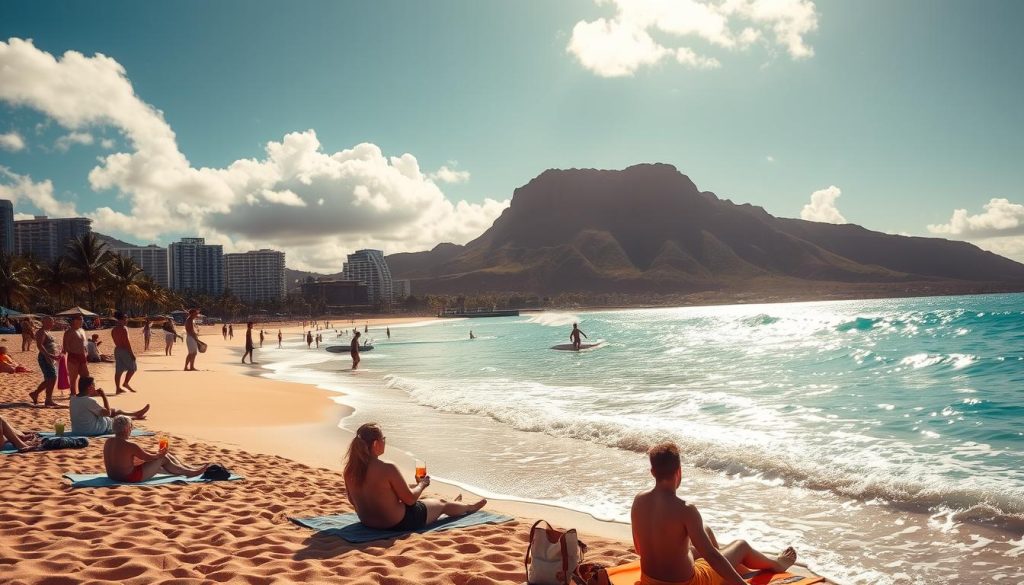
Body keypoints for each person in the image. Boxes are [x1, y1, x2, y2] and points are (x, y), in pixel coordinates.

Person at [631, 442, 797, 585]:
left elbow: (640, 549)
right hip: (688, 582)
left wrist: (681, 554)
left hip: (649, 581)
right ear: (679, 471)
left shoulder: (639, 500)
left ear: (653, 472)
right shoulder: (686, 509)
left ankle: (731, 568)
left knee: (705, 529)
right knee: (741, 545)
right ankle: (777, 564)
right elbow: (712, 557)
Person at [342, 422, 485, 531]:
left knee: (426, 502)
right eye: (383, 438)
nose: (385, 441)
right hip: (398, 523)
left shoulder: (350, 470)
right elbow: (410, 500)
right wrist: (422, 485)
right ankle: (468, 508)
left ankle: (455, 506)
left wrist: (411, 488)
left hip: (368, 523)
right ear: (375, 444)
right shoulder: (387, 467)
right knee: (442, 503)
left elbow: (356, 500)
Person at [104, 415, 207, 482]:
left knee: (162, 455)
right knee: (163, 458)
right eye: (131, 427)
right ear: (126, 429)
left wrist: (157, 454)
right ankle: (190, 472)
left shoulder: (108, 442)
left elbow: (124, 460)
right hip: (128, 478)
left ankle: (187, 468)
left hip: (113, 476)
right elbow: (148, 458)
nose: (131, 429)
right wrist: (159, 455)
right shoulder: (130, 445)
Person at [70, 377, 150, 436]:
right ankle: (134, 415)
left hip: (77, 430)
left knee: (114, 411)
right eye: (94, 386)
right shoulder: (89, 401)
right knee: (115, 417)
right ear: (90, 387)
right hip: (93, 430)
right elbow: (107, 413)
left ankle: (135, 414)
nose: (95, 388)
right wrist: (103, 395)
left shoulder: (73, 399)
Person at [31, 316, 61, 406]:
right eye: (50, 322)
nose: (52, 324)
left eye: (52, 322)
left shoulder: (47, 332)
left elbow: (50, 344)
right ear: (44, 322)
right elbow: (39, 346)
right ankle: (40, 396)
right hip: (45, 357)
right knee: (52, 377)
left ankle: (42, 396)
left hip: (49, 357)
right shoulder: (41, 332)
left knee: (50, 378)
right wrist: (49, 355)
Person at [63, 315, 90, 396]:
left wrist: (86, 352)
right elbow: (65, 346)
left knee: (85, 375)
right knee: (73, 377)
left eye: (82, 320)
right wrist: (72, 353)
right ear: (75, 321)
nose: (82, 322)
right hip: (73, 356)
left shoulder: (82, 330)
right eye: (80, 320)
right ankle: (73, 393)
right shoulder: (69, 332)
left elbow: (85, 343)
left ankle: (83, 392)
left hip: (82, 356)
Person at [112, 311, 137, 394]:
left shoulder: (114, 329)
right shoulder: (124, 329)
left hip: (117, 350)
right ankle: (125, 383)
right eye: (126, 318)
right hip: (124, 350)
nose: (127, 320)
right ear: (121, 319)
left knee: (118, 370)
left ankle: (117, 388)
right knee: (133, 368)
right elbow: (127, 342)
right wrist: (132, 353)